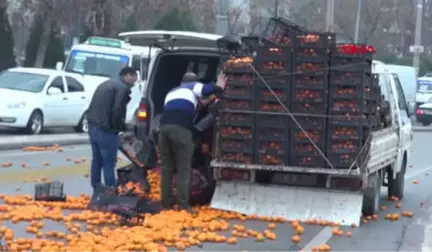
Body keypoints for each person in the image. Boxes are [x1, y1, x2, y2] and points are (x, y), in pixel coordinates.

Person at [158, 72, 227, 212]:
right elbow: (206, 90)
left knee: (167, 168)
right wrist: (218, 86)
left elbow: (195, 104)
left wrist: (207, 101)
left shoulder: (173, 92)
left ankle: (166, 203)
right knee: (184, 168)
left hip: (163, 130)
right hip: (181, 130)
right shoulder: (192, 86)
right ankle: (184, 205)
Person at [87, 67, 137, 189]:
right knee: (109, 162)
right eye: (133, 80)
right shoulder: (122, 88)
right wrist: (120, 127)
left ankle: (97, 186)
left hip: (93, 126)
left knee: (97, 160)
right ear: (128, 75)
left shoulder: (106, 84)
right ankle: (111, 188)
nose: (133, 84)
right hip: (106, 130)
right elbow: (117, 110)